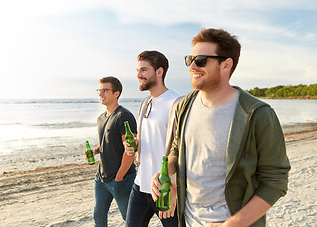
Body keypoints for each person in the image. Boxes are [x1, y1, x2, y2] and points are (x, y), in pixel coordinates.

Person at [151, 28, 290, 227]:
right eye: (189, 59)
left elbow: (275, 181)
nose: (192, 66)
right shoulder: (184, 106)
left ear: (226, 65)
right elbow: (177, 147)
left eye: (200, 60)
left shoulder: (257, 114)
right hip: (188, 221)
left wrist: (232, 224)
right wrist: (169, 170)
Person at [124, 50, 183, 227]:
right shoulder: (145, 102)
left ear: (159, 72)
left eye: (143, 70)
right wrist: (133, 146)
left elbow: (183, 148)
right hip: (140, 184)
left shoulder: (176, 103)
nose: (138, 75)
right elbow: (148, 139)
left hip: (164, 188)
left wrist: (175, 189)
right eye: (137, 70)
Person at [86, 76, 137, 227]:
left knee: (130, 220)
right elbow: (109, 142)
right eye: (99, 90)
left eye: (105, 90)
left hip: (122, 179)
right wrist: (97, 150)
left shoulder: (124, 116)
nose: (100, 94)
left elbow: (130, 150)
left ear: (116, 93)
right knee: (99, 218)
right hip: (101, 178)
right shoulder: (101, 118)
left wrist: (119, 177)